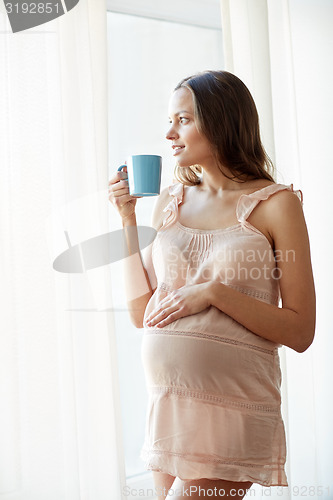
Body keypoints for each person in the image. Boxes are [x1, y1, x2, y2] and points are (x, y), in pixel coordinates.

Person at [108, 70, 316, 500]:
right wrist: (127, 220)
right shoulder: (170, 201)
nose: (169, 133)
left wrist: (213, 292)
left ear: (221, 121)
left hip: (232, 409)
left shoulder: (277, 205)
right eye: (170, 120)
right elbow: (140, 313)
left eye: (182, 120)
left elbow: (300, 331)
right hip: (169, 406)